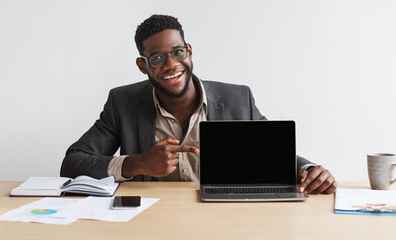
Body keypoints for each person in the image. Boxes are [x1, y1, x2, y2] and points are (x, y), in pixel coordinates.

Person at [60, 14, 337, 194]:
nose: (171, 65)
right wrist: (138, 164)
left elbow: (271, 153)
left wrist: (309, 171)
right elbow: (73, 163)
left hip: (223, 220)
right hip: (149, 224)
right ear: (142, 66)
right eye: (156, 59)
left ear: (188, 51)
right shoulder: (123, 102)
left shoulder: (238, 99)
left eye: (177, 52)